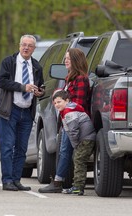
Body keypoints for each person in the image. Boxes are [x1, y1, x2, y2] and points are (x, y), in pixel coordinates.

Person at [38, 48, 91, 193]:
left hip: (74, 122)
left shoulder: (81, 79)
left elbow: (78, 105)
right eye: (65, 58)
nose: (66, 61)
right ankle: (59, 181)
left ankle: (57, 183)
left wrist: (64, 107)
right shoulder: (69, 78)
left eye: (68, 58)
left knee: (65, 151)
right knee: (63, 151)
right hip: (66, 120)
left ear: (76, 61)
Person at [0, 34, 45, 191]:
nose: (26, 48)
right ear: (19, 46)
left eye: (29, 46)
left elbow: (41, 86)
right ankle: (7, 180)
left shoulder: (36, 66)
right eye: (23, 44)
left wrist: (39, 92)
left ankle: (16, 180)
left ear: (34, 49)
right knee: (7, 146)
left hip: (27, 111)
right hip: (10, 110)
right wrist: (22, 87)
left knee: (22, 148)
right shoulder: (9, 62)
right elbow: (1, 81)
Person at [52, 90, 95, 195]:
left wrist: (75, 145)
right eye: (55, 103)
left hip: (85, 139)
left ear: (67, 100)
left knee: (79, 160)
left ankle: (78, 187)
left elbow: (73, 131)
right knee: (78, 159)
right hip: (86, 138)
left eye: (59, 102)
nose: (57, 105)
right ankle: (77, 186)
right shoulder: (69, 109)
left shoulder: (69, 113)